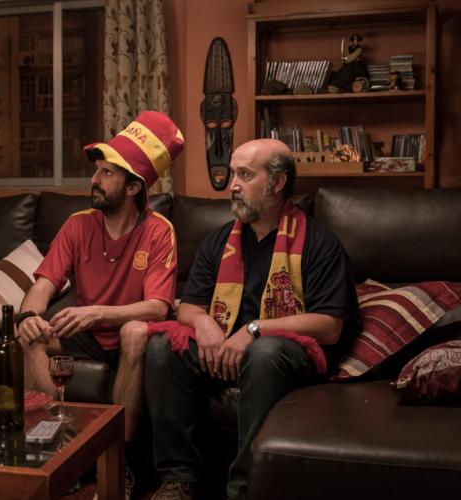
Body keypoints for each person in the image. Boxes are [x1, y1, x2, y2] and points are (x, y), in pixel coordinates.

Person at [144, 139, 361, 500]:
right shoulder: (219, 242)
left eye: (245, 175)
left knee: (263, 353)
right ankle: (178, 479)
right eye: (232, 174)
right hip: (223, 349)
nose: (233, 185)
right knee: (161, 346)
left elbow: (329, 326)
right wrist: (204, 324)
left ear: (277, 182)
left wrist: (254, 330)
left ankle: (243, 489)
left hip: (282, 354)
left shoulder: (319, 243)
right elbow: (188, 306)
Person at [17, 111, 184, 446]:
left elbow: (158, 307)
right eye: (97, 170)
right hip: (87, 335)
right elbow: (43, 285)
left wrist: (96, 312)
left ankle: (120, 457)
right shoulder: (77, 224)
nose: (94, 179)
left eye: (107, 173)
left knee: (134, 332)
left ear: (133, 186)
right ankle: (57, 444)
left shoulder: (159, 231)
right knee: (29, 336)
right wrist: (29, 317)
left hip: (129, 337)